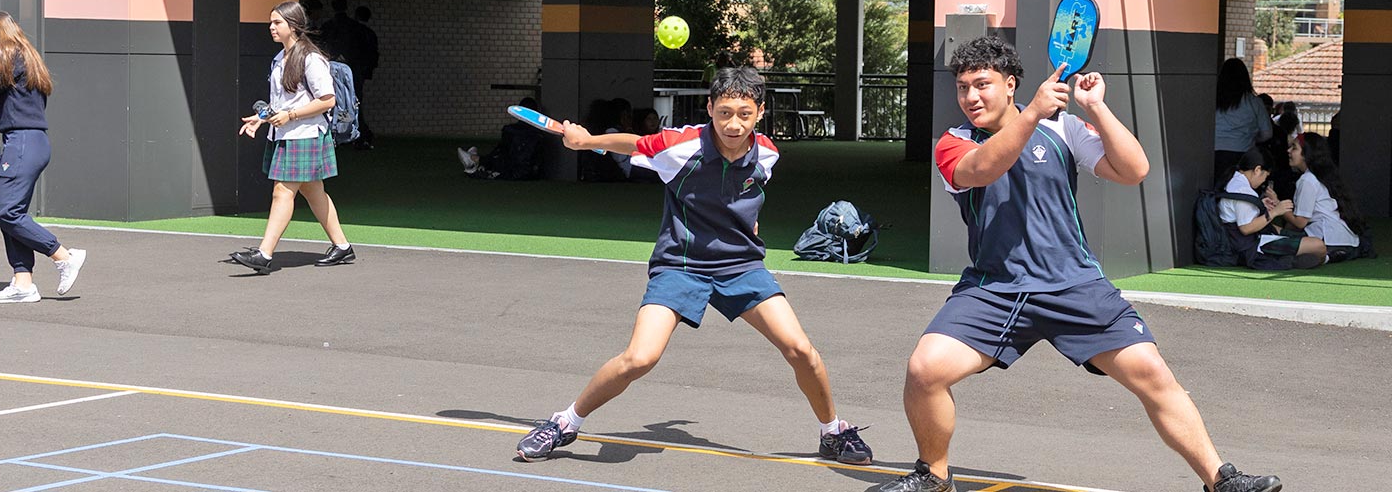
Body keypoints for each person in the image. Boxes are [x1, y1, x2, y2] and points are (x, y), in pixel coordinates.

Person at [882, 36, 1279, 492]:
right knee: (924, 370)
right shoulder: (954, 142)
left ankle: (1220, 480)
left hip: (1074, 285)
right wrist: (1032, 112)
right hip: (995, 288)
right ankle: (934, 476)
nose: (971, 97)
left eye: (982, 84)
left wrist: (1095, 109)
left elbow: (1134, 170)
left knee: (1153, 374)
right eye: (963, 87)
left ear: (1010, 85)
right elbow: (983, 169)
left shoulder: (1064, 130)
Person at [513, 67, 876, 468]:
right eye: (724, 113)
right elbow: (635, 142)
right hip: (680, 265)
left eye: (743, 113)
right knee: (640, 358)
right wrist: (585, 141)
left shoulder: (768, 152)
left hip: (740, 265)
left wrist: (748, 223)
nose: (733, 123)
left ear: (760, 112)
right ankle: (565, 422)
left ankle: (833, 432)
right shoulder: (679, 146)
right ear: (709, 109)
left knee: (801, 350)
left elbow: (748, 193)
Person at [232, 1, 356, 274]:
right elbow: (283, 102)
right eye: (271, 22)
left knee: (282, 192)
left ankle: (264, 255)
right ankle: (343, 247)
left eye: (277, 22)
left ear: (294, 25)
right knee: (314, 192)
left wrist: (291, 116)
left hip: (305, 135)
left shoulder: (311, 59)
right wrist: (261, 119)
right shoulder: (280, 58)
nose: (271, 27)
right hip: (288, 134)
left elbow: (328, 101)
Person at [0, 10, 87, 303]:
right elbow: (24, 103)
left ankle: (63, 256)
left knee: (5, 212)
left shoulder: (7, 56)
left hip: (21, 143)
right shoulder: (26, 56)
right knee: (11, 212)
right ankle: (22, 282)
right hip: (30, 141)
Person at [1219, 148, 1326, 271]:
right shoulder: (1243, 190)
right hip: (1252, 246)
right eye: (1265, 175)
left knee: (1306, 242)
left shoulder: (1234, 181)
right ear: (1257, 170)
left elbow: (1241, 213)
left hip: (1245, 241)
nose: (1264, 180)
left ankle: (1292, 257)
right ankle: (1302, 258)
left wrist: (1260, 204)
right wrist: (1274, 212)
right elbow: (1246, 228)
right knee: (1319, 246)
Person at [1283, 133, 1371, 262]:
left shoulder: (1307, 180)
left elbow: (1300, 222)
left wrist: (1280, 209)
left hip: (1325, 236)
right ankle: (1329, 256)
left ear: (1306, 153)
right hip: (1347, 240)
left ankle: (1324, 256)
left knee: (1278, 238)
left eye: (1294, 147)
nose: (1288, 150)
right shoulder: (1319, 176)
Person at [1213, 59, 1271, 186]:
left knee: (1216, 191)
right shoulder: (1255, 102)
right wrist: (1253, 138)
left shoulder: (1213, 100)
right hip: (1244, 156)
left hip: (1215, 155)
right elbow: (1267, 133)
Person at [457, 98, 545, 181]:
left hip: (515, 170)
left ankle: (475, 160)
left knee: (499, 157)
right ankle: (476, 161)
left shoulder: (515, 131)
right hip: (525, 171)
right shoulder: (538, 134)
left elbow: (507, 154)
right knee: (499, 156)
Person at [344, 5, 381, 149]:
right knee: (356, 102)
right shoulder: (369, 34)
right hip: (361, 73)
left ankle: (357, 132)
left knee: (350, 102)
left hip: (352, 72)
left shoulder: (354, 32)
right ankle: (359, 132)